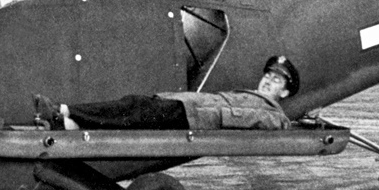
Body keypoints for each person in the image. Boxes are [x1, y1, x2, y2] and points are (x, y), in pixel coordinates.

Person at [34, 55, 300, 132]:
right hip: (184, 105)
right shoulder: (253, 95)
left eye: (276, 81)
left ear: (285, 92)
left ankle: (65, 110)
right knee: (132, 105)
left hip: (191, 116)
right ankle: (65, 121)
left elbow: (264, 122)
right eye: (268, 75)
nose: (268, 81)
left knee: (134, 107)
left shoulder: (274, 115)